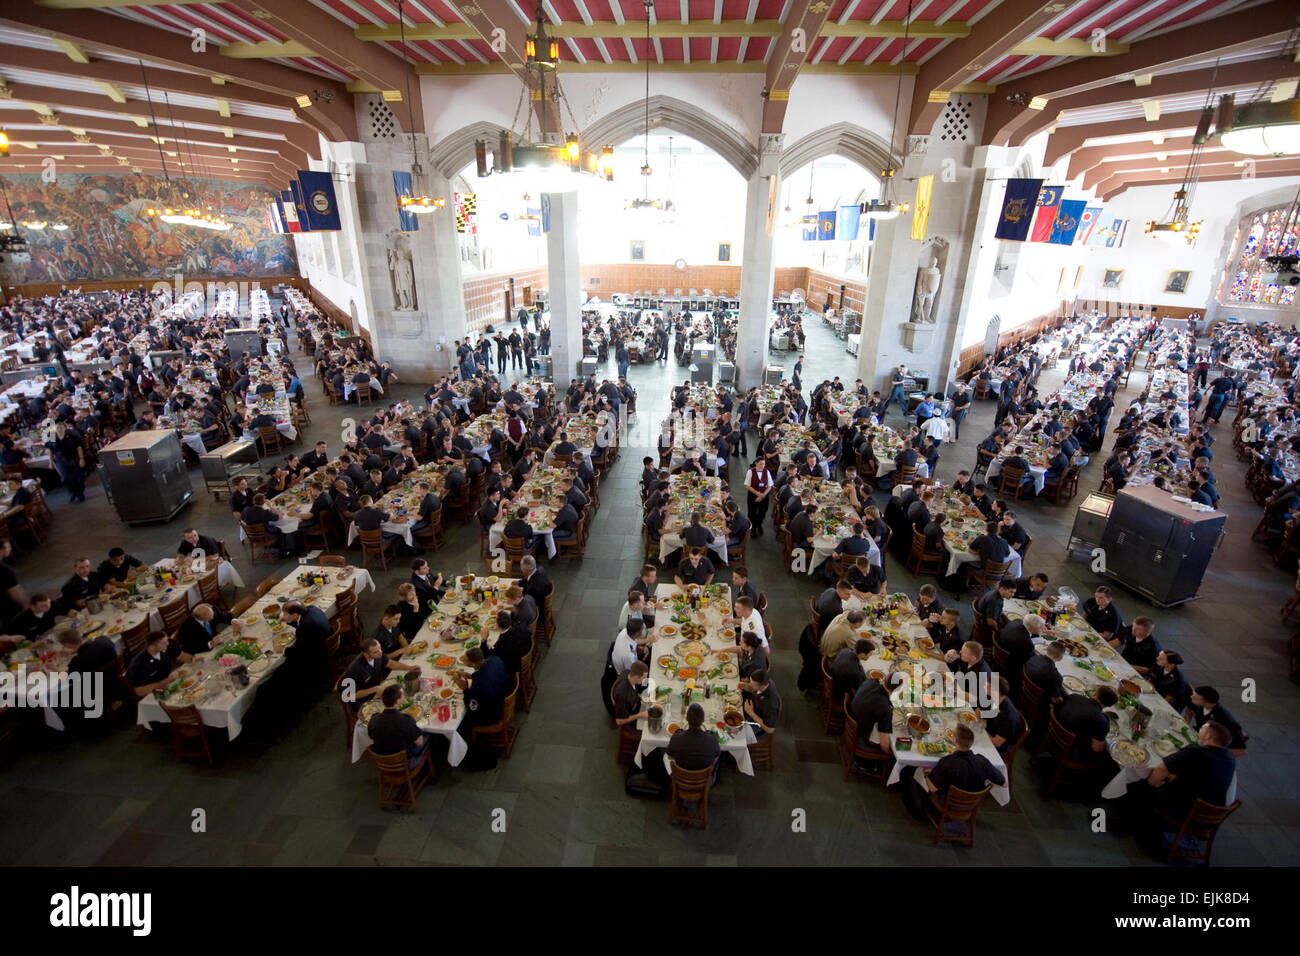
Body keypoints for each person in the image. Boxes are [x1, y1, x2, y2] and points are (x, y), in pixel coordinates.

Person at [902, 722, 1006, 820]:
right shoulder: (982, 760)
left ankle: (919, 813)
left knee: (908, 772)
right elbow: (1004, 783)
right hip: (970, 805)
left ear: (955, 740)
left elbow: (932, 788)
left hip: (948, 802)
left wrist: (926, 774)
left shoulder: (948, 762)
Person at [1144, 720, 1237, 821]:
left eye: (1202, 728)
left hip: (1184, 810)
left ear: (1208, 736)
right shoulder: (1229, 757)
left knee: (1141, 787)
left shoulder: (1196, 752)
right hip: (1210, 814)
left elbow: (1161, 768)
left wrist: (1149, 784)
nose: (1198, 730)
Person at [344, 637, 420, 710]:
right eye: (375, 652)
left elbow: (391, 663)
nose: (380, 653)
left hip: (378, 691)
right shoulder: (354, 669)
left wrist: (409, 668)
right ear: (366, 654)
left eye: (380, 648)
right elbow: (348, 696)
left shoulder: (378, 654)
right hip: (363, 702)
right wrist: (375, 689)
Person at [452, 647, 510, 743]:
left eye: (465, 660)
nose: (464, 661)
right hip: (504, 693)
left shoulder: (479, 686)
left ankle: (466, 743)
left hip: (494, 712)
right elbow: (486, 673)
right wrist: (471, 676)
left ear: (473, 664)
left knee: (463, 718)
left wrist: (465, 688)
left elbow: (472, 708)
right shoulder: (494, 659)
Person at [367, 683, 430, 769]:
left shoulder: (374, 719)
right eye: (402, 695)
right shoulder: (406, 720)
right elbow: (419, 742)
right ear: (397, 701)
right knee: (430, 735)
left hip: (384, 763)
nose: (404, 696)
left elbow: (370, 735)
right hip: (405, 763)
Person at [1057, 685, 1119, 767]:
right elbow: (1097, 749)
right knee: (1109, 759)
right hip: (1069, 749)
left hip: (1054, 731)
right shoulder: (1102, 721)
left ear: (1095, 694)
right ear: (1109, 706)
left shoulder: (1074, 696)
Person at [124, 631, 189, 696]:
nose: (167, 644)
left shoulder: (165, 648)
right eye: (163, 643)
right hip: (150, 694)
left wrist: (195, 658)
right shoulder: (138, 665)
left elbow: (182, 656)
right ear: (152, 647)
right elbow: (139, 692)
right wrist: (167, 680)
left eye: (167, 641)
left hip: (167, 683)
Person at [1185, 686, 1248, 754]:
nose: (1191, 697)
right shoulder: (1198, 704)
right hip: (1199, 736)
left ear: (1206, 701)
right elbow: (1190, 711)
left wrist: (1216, 754)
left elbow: (1241, 751)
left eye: (1195, 697)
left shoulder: (1225, 720)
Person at [667, 702, 722, 775]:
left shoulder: (676, 738)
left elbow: (669, 753)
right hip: (703, 780)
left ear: (686, 719)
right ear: (703, 720)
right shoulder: (713, 739)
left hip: (681, 778)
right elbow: (717, 754)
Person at [850, 675, 894, 752]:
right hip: (860, 739)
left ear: (884, 678)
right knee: (892, 748)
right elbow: (884, 745)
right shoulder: (885, 708)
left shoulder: (871, 681)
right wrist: (889, 753)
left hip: (851, 721)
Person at [985, 676, 1026, 756]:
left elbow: (996, 743)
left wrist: (980, 732)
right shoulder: (996, 699)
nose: (984, 688)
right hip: (991, 730)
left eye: (987, 687)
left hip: (998, 747)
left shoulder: (1009, 718)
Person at [739, 669, 780, 738]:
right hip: (753, 708)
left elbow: (770, 729)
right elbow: (755, 690)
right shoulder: (765, 681)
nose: (750, 685)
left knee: (736, 734)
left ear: (762, 686)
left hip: (758, 724)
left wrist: (751, 713)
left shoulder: (770, 704)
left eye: (752, 684)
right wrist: (745, 686)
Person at [612, 660, 651, 727]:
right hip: (631, 716)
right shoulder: (622, 695)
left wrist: (640, 697)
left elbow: (634, 691)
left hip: (635, 702)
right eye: (644, 677)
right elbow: (619, 721)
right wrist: (640, 715)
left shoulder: (627, 672)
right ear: (636, 677)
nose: (645, 679)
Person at [744, 458, 774, 538]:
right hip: (753, 496)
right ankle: (753, 529)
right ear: (756, 463)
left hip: (764, 496)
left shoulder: (767, 472)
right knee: (752, 513)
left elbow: (769, 486)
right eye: (761, 464)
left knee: (762, 513)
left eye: (764, 464)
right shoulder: (750, 472)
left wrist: (763, 495)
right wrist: (757, 493)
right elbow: (747, 485)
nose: (762, 466)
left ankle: (759, 525)